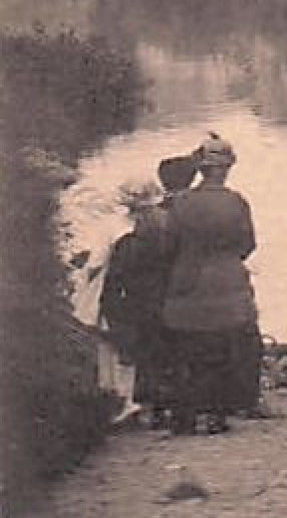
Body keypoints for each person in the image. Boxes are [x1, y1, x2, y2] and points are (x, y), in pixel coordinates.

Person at [160, 133, 259, 435]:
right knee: (223, 349)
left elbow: (168, 246)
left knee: (185, 350)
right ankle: (217, 416)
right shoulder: (237, 203)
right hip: (228, 285)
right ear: (227, 169)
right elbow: (248, 245)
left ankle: (184, 418)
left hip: (187, 284)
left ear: (201, 169)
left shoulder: (180, 203)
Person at [100, 181, 174, 427]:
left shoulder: (126, 239)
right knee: (160, 351)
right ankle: (160, 406)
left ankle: (139, 405)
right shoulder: (168, 227)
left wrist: (110, 307)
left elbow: (115, 279)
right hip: (164, 297)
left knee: (139, 352)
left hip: (137, 300)